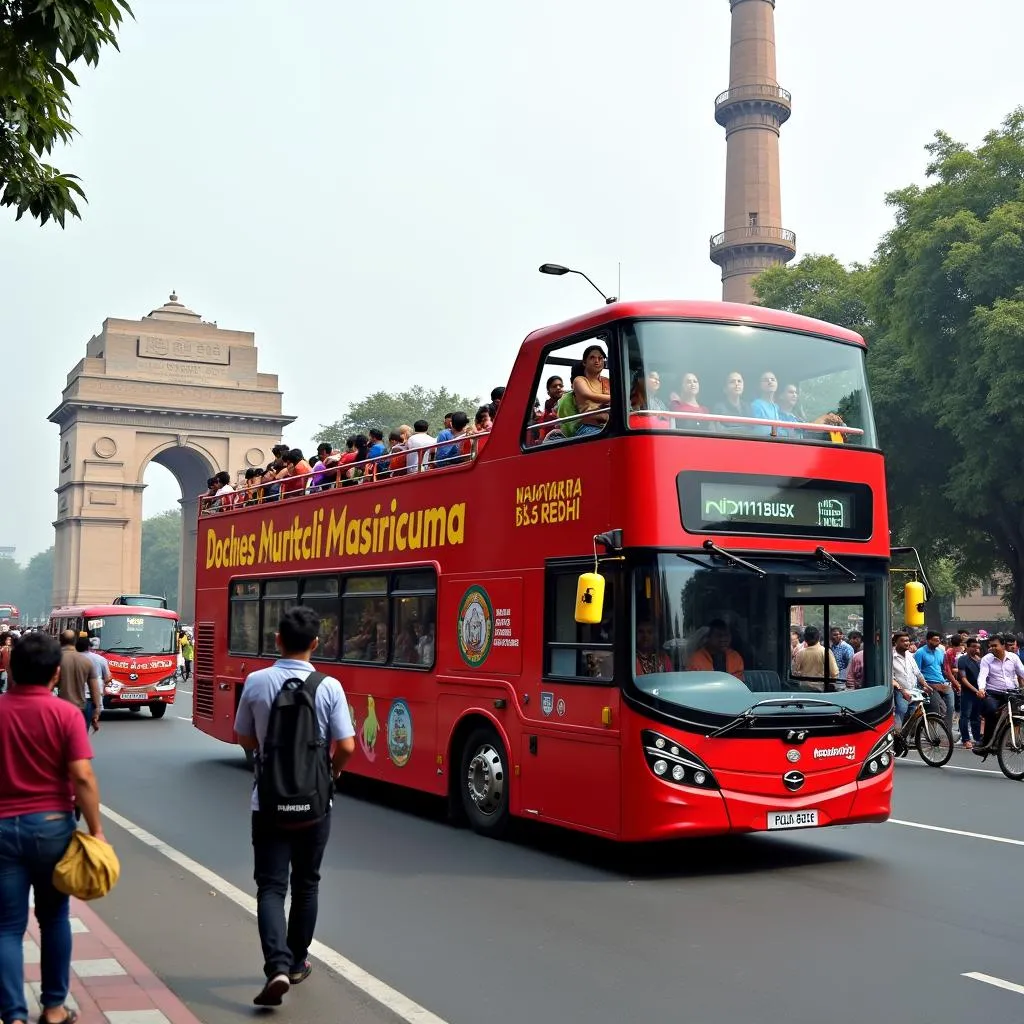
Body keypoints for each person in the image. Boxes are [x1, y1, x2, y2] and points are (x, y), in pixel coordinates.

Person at [233, 607, 356, 1007]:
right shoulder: (329, 686)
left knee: (271, 887)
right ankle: (299, 960)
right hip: (315, 803)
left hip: (267, 799)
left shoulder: (256, 682)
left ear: (277, 640)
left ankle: (277, 967)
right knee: (307, 883)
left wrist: (265, 758)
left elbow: (243, 737)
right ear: (316, 643)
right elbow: (349, 746)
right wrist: (330, 773)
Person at [0, 632, 106, 1024]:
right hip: (52, 828)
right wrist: (96, 830)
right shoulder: (64, 714)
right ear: (56, 674)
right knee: (54, 918)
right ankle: (55, 1008)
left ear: (10, 669)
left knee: (7, 927)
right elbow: (83, 777)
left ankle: (12, 1014)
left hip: (2, 829)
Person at [974, 632, 1024, 755]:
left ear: (1003, 645)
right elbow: (982, 676)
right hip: (993, 693)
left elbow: (1022, 672)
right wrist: (981, 689)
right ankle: (986, 742)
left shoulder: (1013, 658)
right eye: (990, 646)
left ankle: (1004, 738)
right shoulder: (987, 659)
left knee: (1018, 714)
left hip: (1012, 693)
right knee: (990, 711)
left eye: (995, 645)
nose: (992, 648)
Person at [57, 631, 101, 734]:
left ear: (60, 641)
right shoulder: (86, 661)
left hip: (60, 708)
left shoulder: (55, 659)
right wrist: (97, 709)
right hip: (81, 708)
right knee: (80, 739)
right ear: (75, 642)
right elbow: (94, 688)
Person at [914, 630, 953, 732]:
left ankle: (947, 731)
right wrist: (923, 686)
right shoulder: (920, 652)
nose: (938, 642)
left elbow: (943, 668)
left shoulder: (940, 652)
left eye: (939, 640)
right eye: (935, 640)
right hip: (929, 684)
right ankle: (932, 732)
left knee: (951, 706)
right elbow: (916, 671)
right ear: (928, 640)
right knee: (935, 708)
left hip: (942, 683)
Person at [572, 345, 611, 437]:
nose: (597, 361)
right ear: (584, 362)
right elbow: (589, 395)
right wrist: (617, 398)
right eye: (592, 358)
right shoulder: (579, 380)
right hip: (589, 427)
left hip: (609, 425)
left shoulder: (607, 381)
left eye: (600, 358)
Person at [892, 631, 928, 727]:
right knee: (901, 713)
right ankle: (896, 738)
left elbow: (917, 673)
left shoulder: (910, 656)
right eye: (903, 641)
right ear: (896, 642)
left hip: (913, 691)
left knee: (913, 716)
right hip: (900, 692)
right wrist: (902, 691)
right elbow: (891, 678)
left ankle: (906, 739)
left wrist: (925, 684)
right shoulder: (891, 657)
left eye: (907, 640)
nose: (906, 643)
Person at [956, 636, 984, 749]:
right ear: (967, 647)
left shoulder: (980, 660)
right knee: (965, 716)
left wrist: (981, 690)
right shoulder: (963, 659)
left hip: (979, 692)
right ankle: (966, 739)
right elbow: (963, 678)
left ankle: (977, 739)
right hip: (968, 692)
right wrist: (975, 690)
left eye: (978, 647)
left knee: (976, 717)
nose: (976, 649)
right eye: (973, 647)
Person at [792, 626, 839, 692]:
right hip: (821, 690)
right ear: (818, 637)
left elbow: (794, 673)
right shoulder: (825, 652)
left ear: (805, 638)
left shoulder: (800, 653)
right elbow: (834, 673)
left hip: (804, 690)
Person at [749, 370, 781, 436]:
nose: (770, 381)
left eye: (773, 379)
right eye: (765, 380)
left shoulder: (776, 407)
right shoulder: (755, 405)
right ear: (759, 386)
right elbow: (760, 431)